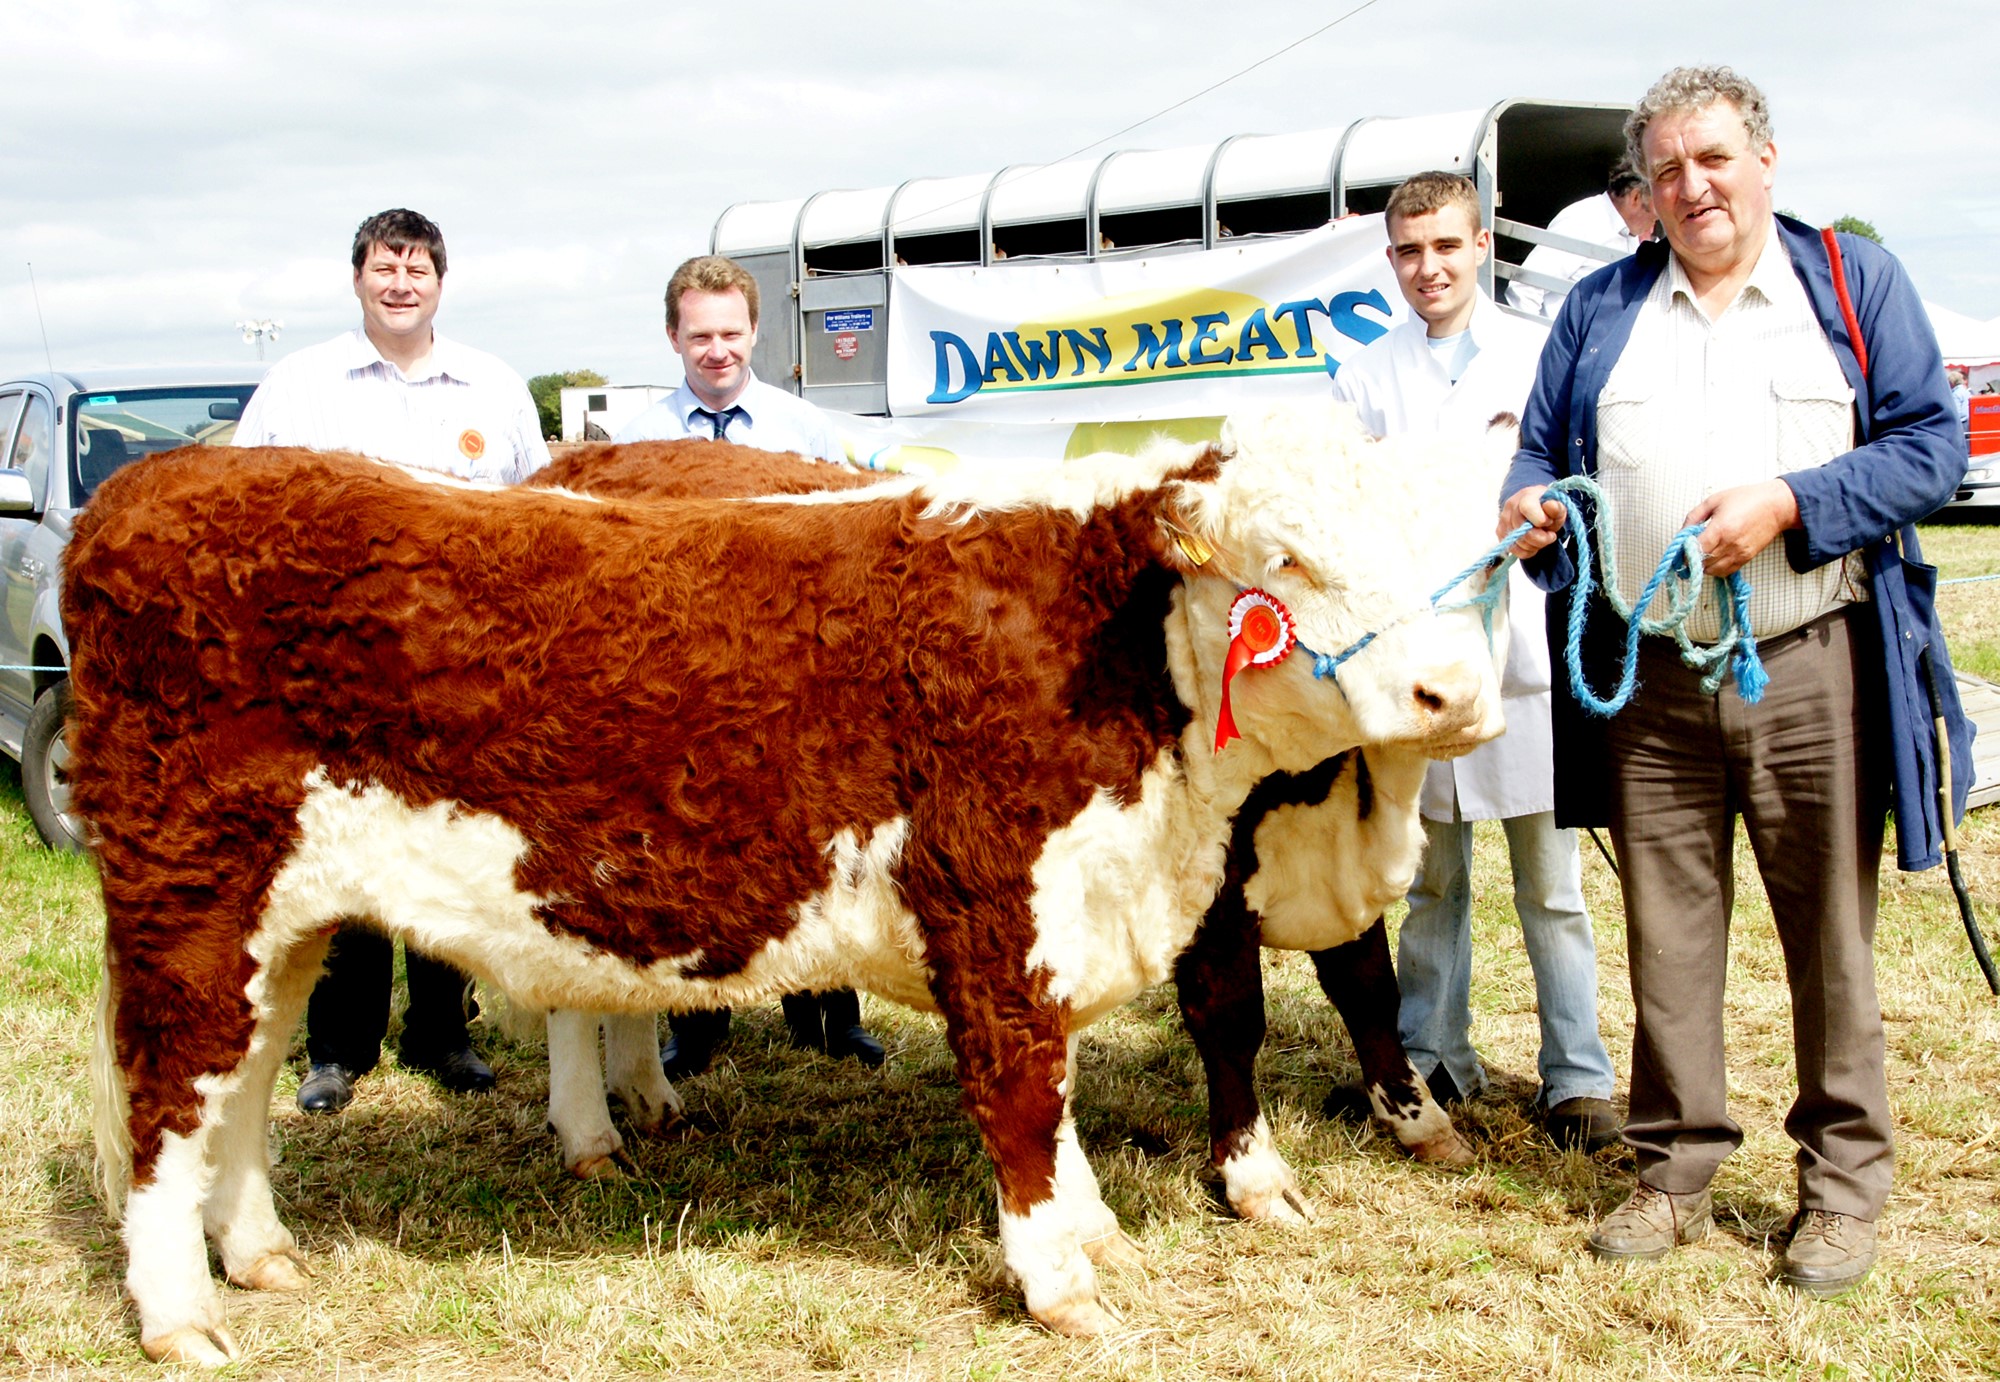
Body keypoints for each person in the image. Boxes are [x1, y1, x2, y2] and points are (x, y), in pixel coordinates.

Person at [1500, 67, 1970, 1296]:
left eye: (1710, 159)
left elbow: (1927, 443)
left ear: (1764, 159)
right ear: (1642, 193)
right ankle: (1670, 1169)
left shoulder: (1850, 284)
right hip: (1647, 675)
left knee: (1828, 939)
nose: (1690, 186)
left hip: (1809, 657)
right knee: (1665, 934)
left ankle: (1839, 1188)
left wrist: (1792, 504)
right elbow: (1542, 446)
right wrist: (1533, 499)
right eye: (1664, 170)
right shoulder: (1599, 305)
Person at [1330, 172, 1621, 1153]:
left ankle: (1576, 1079)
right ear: (1390, 261)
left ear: (1479, 244)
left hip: (1526, 653)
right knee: (1429, 882)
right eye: (1409, 250)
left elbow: (1584, 481)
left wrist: (1549, 520)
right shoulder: (1366, 376)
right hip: (1420, 665)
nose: (1429, 266)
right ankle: (1428, 1058)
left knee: (1549, 881)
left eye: (1445, 246)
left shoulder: (1538, 357)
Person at [235, 207, 550, 1113]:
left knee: (450, 843)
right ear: (359, 278)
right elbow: (253, 504)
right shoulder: (302, 384)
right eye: (385, 266)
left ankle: (446, 1034)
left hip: (462, 659)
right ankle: (338, 1048)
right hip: (343, 658)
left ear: (441, 283)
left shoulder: (490, 387)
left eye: (417, 267)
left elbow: (533, 513)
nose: (401, 282)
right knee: (350, 849)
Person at [618, 254, 884, 1075]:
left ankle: (828, 1012)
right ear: (673, 336)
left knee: (810, 832)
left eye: (731, 332)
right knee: (690, 837)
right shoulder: (640, 440)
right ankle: (695, 1020)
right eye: (700, 334)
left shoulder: (804, 431)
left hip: (787, 671)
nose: (717, 349)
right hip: (683, 673)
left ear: (756, 332)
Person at [1505, 159, 1655, 319]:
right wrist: (1538, 341)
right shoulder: (1583, 220)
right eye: (1655, 212)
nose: (1656, 221)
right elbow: (1524, 288)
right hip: (1561, 340)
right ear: (1635, 197)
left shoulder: (1628, 234)